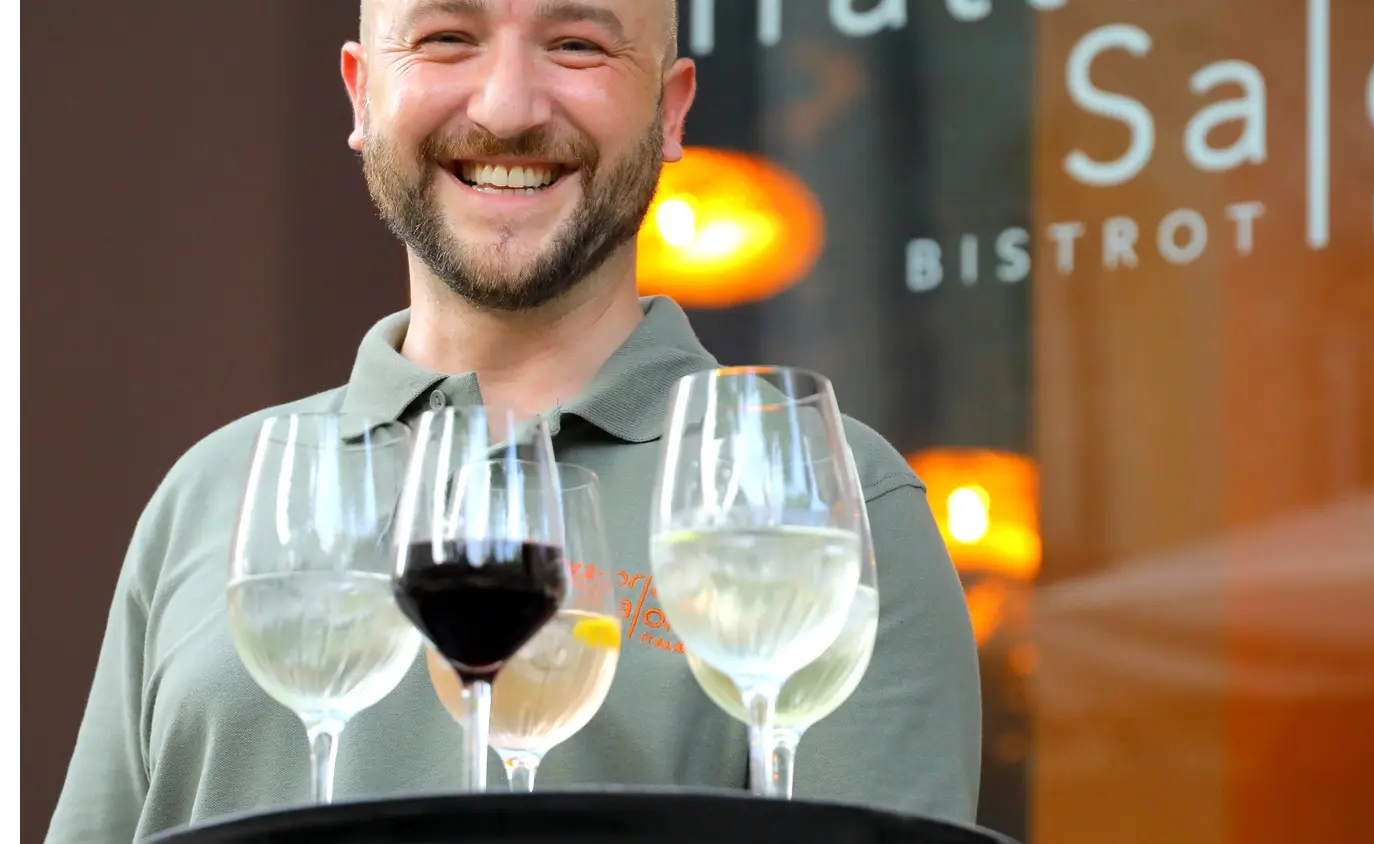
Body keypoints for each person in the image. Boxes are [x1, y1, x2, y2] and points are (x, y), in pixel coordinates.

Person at [44, 1, 982, 840]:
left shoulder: (831, 507)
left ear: (669, 112)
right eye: (446, 38)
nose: (506, 109)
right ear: (362, 93)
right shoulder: (214, 492)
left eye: (576, 46)